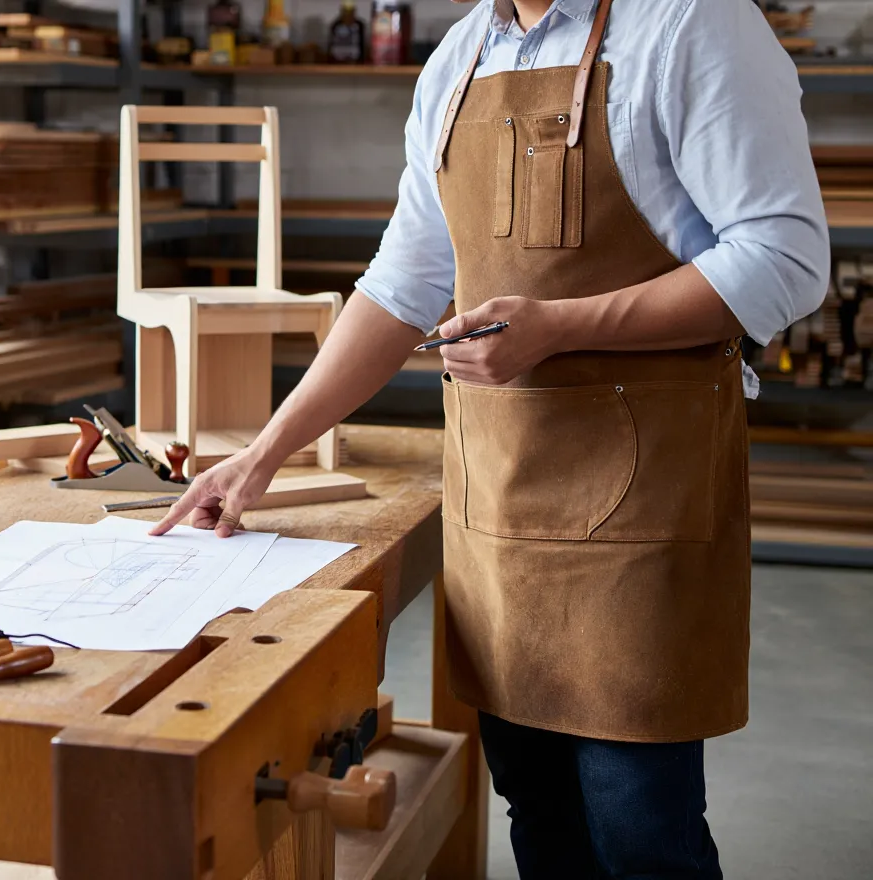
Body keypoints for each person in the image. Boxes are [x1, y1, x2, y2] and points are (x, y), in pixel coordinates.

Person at [152, 0, 829, 876]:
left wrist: (560, 326)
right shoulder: (460, 58)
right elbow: (401, 285)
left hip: (644, 504)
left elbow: (786, 256)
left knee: (637, 826)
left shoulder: (691, 22)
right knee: (535, 806)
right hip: (500, 500)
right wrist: (264, 451)